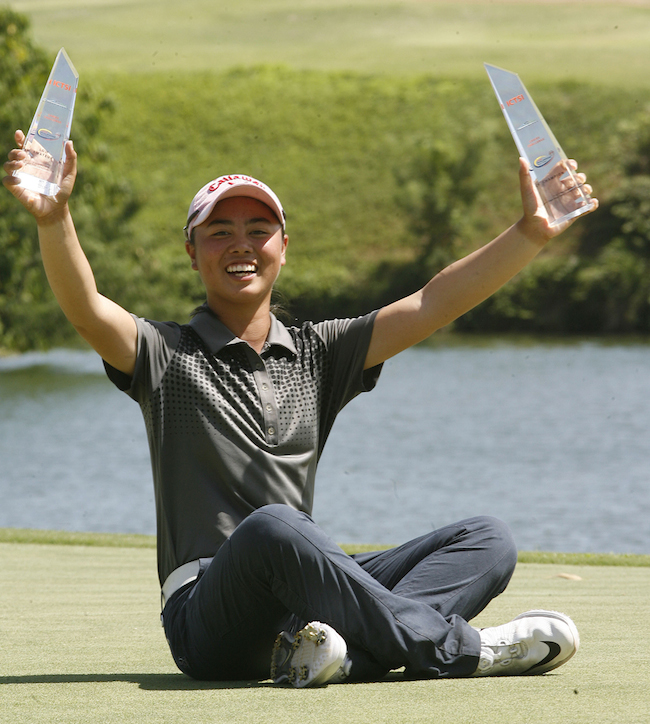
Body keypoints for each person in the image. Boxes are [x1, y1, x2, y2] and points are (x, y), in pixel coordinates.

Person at [3, 128, 597, 686]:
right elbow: (85, 307)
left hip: (303, 603)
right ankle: (466, 650)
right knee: (275, 525)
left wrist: (531, 232)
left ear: (283, 247)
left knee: (486, 539)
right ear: (192, 252)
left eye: (258, 229)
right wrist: (54, 218)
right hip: (207, 620)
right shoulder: (163, 353)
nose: (241, 245)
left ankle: (340, 657)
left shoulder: (321, 353)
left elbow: (432, 302)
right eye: (219, 231)